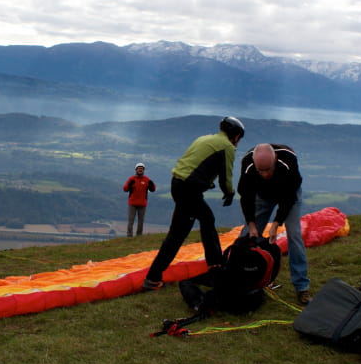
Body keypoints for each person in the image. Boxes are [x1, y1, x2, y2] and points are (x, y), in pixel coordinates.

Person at [142, 116, 245, 291]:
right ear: (235, 136)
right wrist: (229, 193)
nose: (238, 142)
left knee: (179, 233)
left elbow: (193, 165)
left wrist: (205, 182)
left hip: (178, 184)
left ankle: (153, 278)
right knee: (205, 220)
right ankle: (216, 266)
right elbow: (226, 176)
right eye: (239, 138)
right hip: (189, 189)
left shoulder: (204, 138)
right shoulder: (227, 147)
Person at [237, 143, 313, 305]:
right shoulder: (248, 166)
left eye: (268, 170)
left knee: (294, 235)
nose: (264, 174)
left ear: (275, 160)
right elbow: (246, 197)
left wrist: (276, 223)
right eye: (261, 171)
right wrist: (251, 225)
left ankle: (301, 287)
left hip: (287, 194)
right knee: (246, 237)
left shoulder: (288, 161)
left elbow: (289, 198)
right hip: (262, 196)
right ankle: (240, 280)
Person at [123, 163, 156, 237]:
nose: (140, 170)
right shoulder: (131, 179)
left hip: (142, 203)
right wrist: (129, 185)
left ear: (144, 170)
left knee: (141, 221)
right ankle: (129, 235)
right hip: (132, 203)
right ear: (136, 170)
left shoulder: (147, 179)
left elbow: (153, 189)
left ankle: (139, 235)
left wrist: (152, 184)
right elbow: (125, 189)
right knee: (131, 220)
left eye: (142, 168)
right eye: (139, 168)